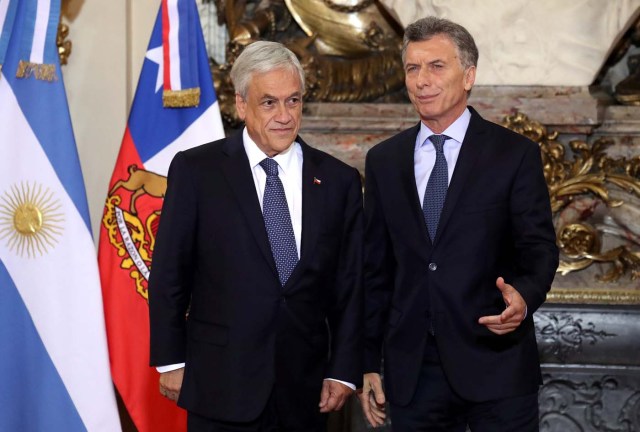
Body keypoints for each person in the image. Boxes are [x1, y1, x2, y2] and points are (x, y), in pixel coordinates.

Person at [148, 40, 363, 431]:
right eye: (269, 103)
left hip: (306, 391)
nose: (284, 115)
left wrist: (345, 370)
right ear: (241, 104)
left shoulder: (338, 180)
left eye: (293, 101)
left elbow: (350, 287)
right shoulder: (198, 172)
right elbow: (169, 273)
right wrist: (172, 360)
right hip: (219, 384)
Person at [358, 17, 559, 431]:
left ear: (468, 76)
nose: (421, 80)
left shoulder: (514, 154)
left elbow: (538, 248)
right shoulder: (384, 160)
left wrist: (523, 297)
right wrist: (367, 362)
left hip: (496, 364)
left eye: (436, 66)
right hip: (413, 372)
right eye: (412, 69)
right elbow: (375, 272)